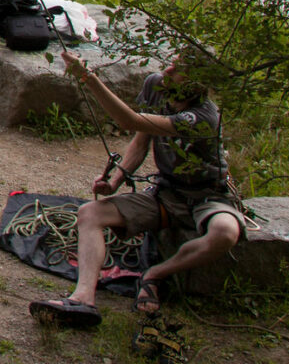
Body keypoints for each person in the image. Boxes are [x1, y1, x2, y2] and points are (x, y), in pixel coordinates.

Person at [29, 47, 245, 328]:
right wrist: (117, 179)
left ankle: (156, 273)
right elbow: (142, 140)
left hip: (209, 196)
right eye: (172, 64)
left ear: (198, 84)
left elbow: (129, 121)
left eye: (179, 71)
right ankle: (82, 299)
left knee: (225, 233)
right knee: (90, 214)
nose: (168, 71)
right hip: (166, 192)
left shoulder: (203, 117)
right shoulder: (157, 86)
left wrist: (87, 77)